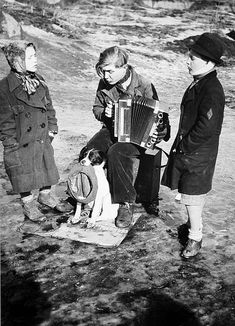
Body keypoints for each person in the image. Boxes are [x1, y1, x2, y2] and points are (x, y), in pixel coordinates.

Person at [79, 46, 169, 228]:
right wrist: (105, 113)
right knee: (89, 150)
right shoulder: (105, 83)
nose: (106, 76)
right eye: (103, 71)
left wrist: (160, 131)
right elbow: (96, 109)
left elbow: (161, 118)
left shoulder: (144, 85)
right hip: (112, 129)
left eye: (110, 71)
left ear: (124, 67)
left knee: (117, 152)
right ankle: (87, 194)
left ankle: (125, 203)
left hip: (138, 137)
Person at [161, 33, 225, 258]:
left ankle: (195, 238)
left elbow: (207, 127)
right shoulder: (200, 82)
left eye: (192, 58)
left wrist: (185, 146)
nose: (188, 61)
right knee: (189, 193)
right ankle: (192, 227)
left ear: (208, 62)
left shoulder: (212, 89)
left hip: (198, 153)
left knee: (193, 197)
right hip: (191, 150)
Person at [0, 41, 70, 223]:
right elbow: (5, 121)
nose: (35, 60)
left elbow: (49, 108)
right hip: (21, 139)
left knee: (46, 165)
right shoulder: (5, 88)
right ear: (17, 61)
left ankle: (45, 195)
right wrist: (11, 144)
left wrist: (52, 128)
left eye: (35, 55)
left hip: (42, 136)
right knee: (23, 172)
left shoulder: (40, 81)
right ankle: (28, 203)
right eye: (30, 57)